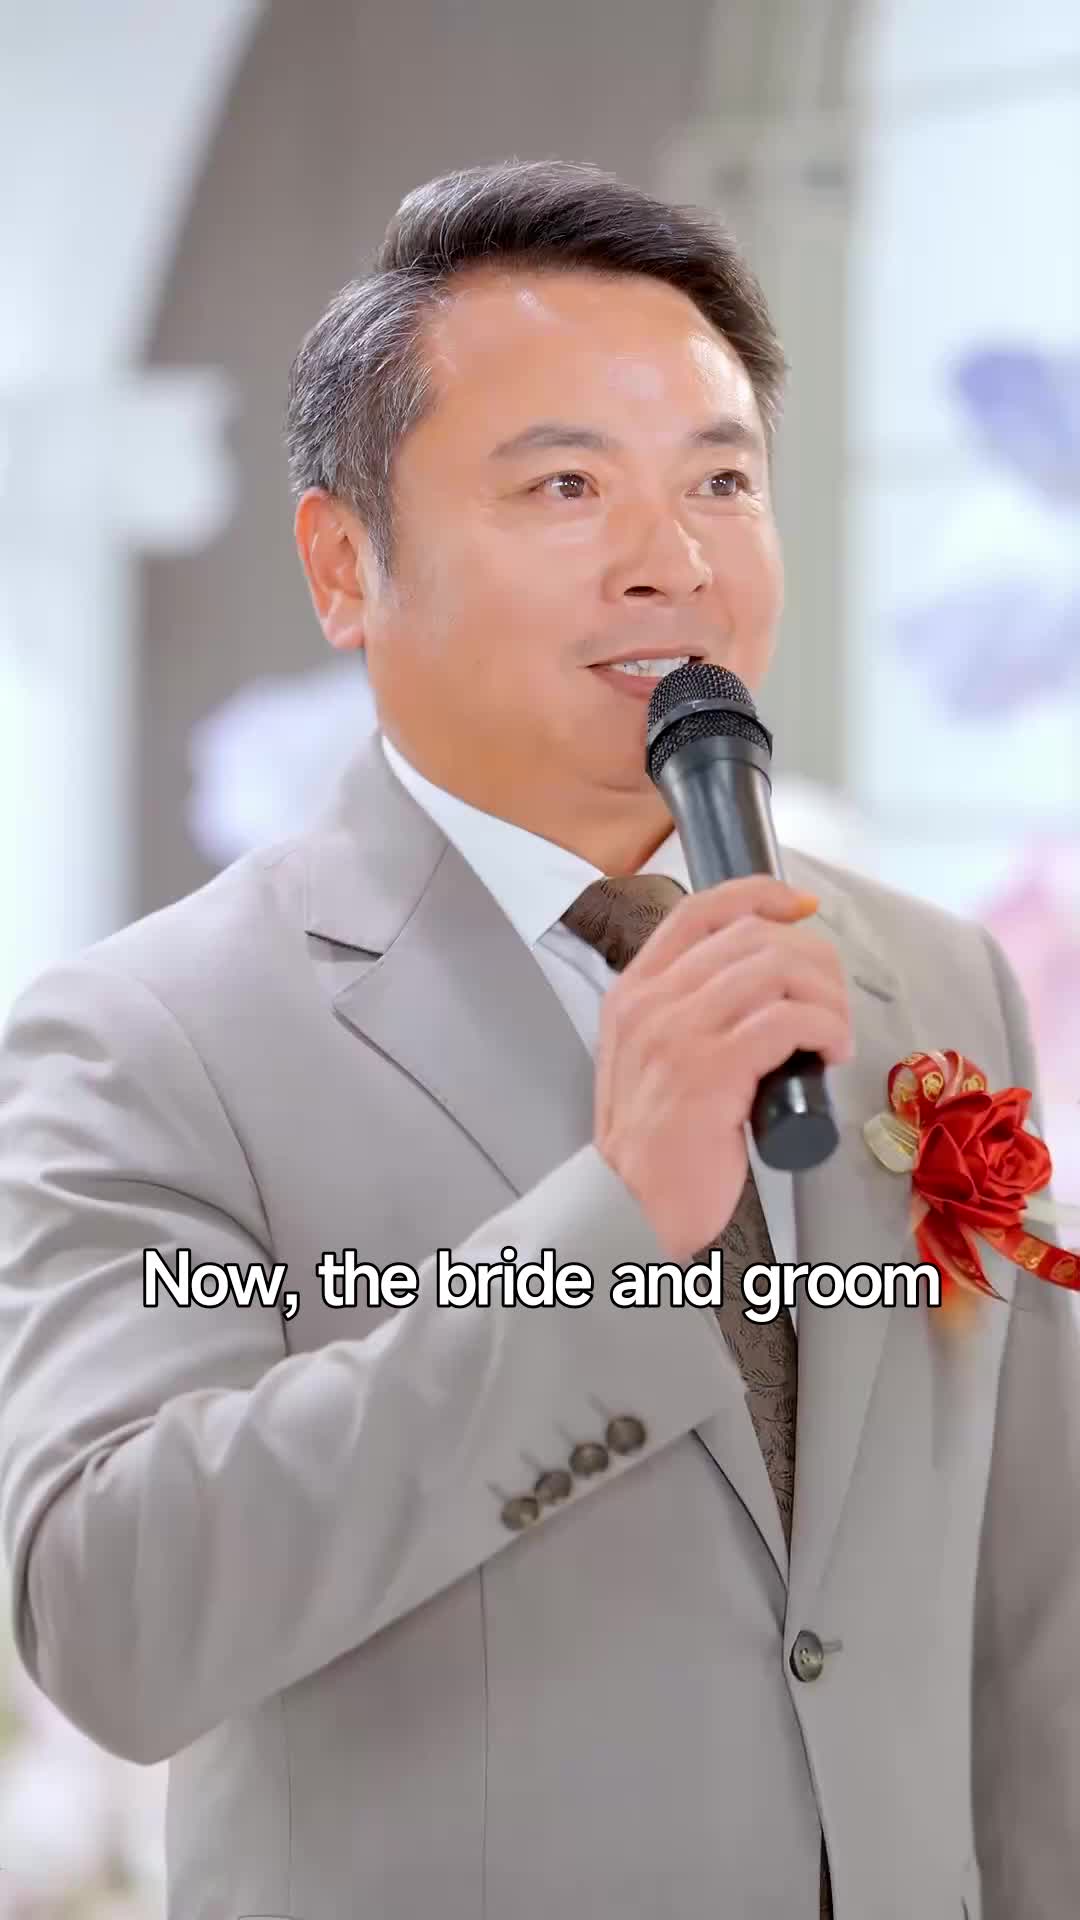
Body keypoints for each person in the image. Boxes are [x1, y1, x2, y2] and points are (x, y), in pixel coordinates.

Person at [0, 158, 1076, 1920]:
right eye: (567, 486)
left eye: (721, 480)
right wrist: (610, 1228)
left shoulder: (933, 983)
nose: (674, 561)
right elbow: (115, 1622)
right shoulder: (146, 1039)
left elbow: (1031, 1617)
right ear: (344, 565)